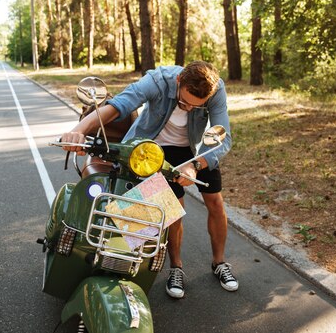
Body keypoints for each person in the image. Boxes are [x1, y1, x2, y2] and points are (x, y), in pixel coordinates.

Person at [59, 60, 238, 298]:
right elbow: (119, 105)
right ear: (178, 82)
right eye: (184, 102)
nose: (187, 109)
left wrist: (195, 165)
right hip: (157, 146)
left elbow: (223, 137)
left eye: (197, 107)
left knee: (215, 202)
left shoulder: (216, 90)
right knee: (172, 207)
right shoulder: (158, 80)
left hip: (199, 150)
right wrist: (80, 130)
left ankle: (220, 263)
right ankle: (176, 267)